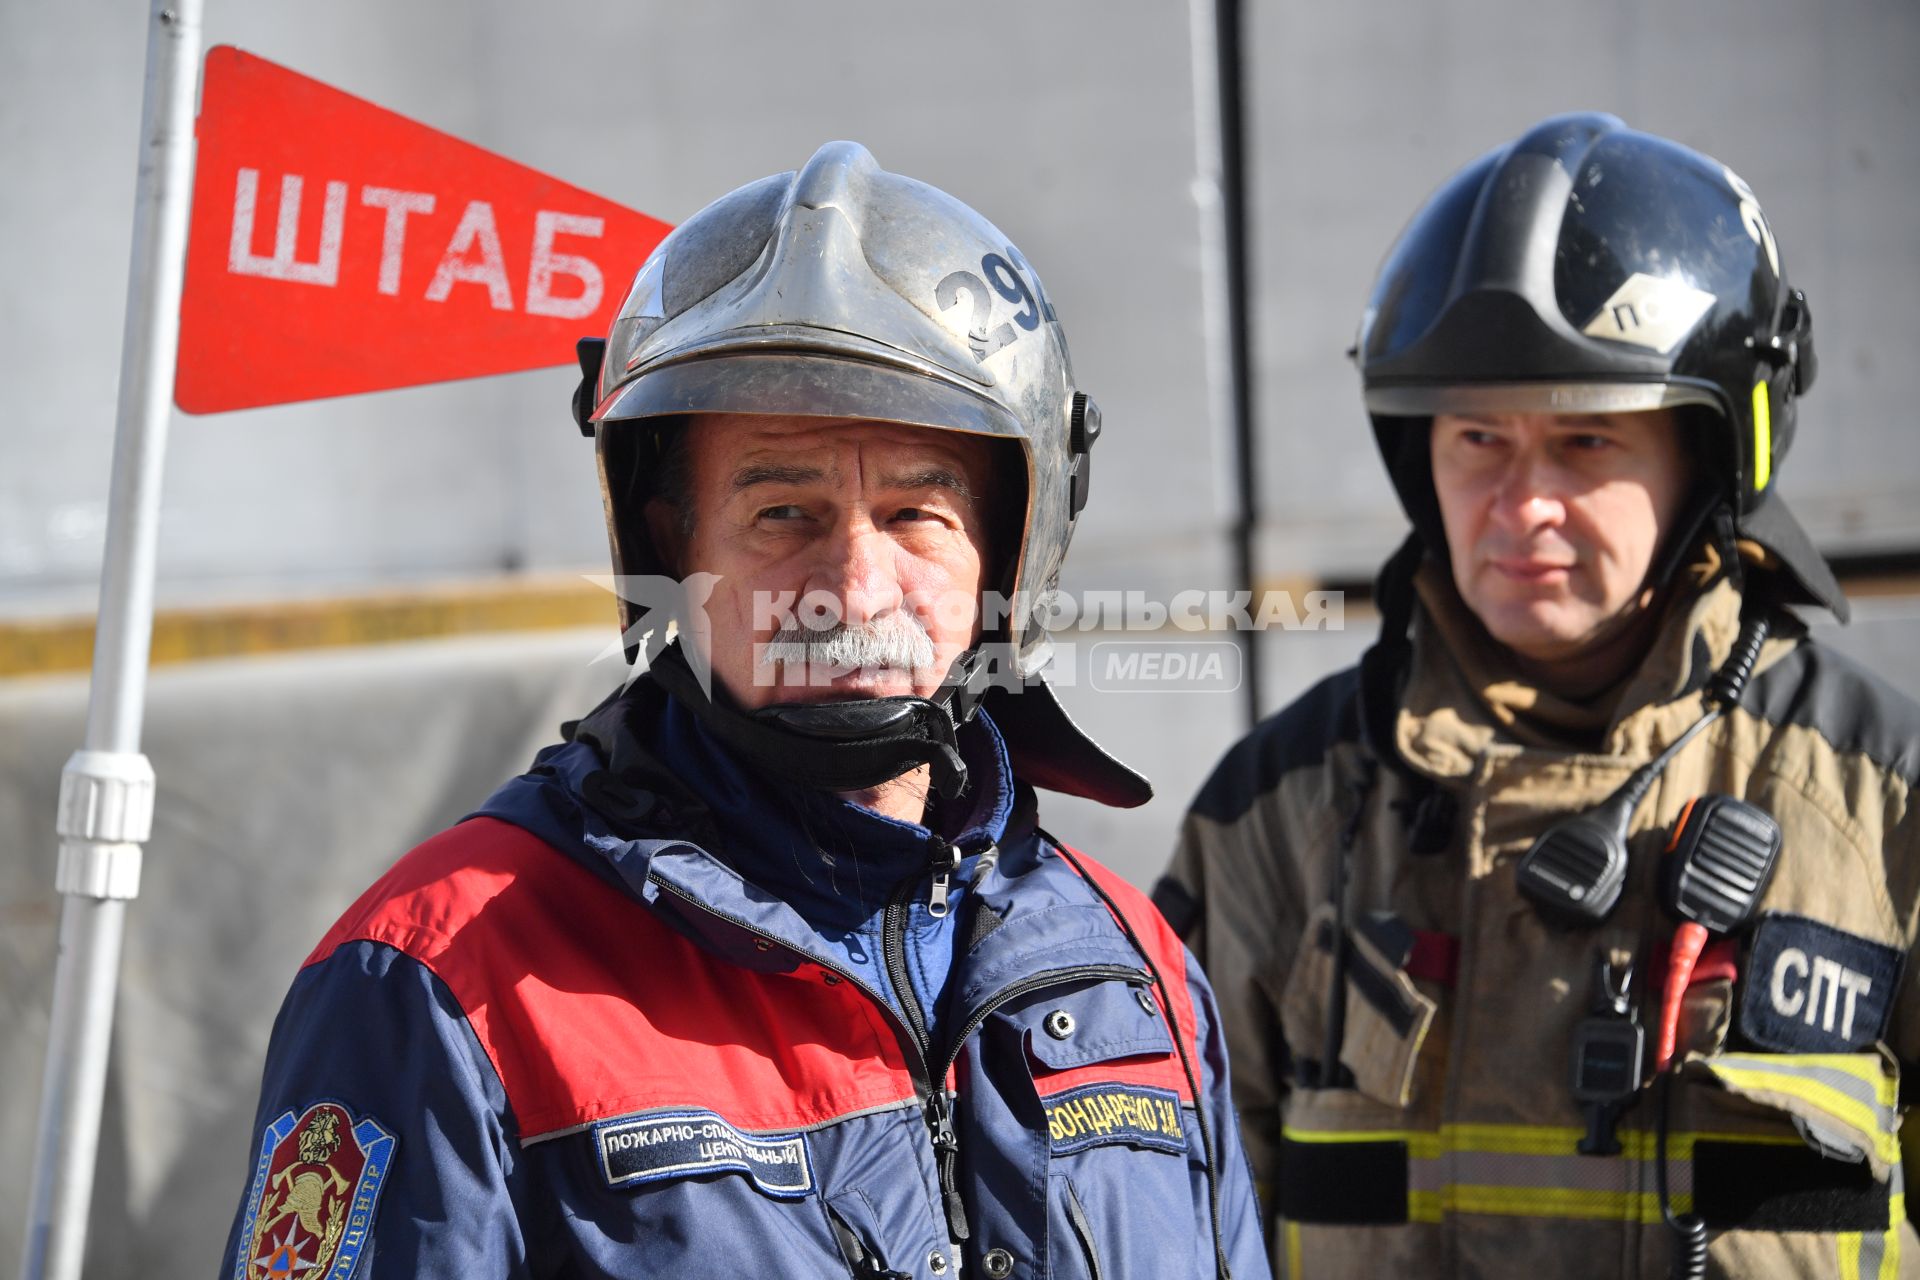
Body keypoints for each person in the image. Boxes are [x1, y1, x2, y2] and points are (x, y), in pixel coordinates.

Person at [221, 142, 1266, 1280]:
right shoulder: (440, 980)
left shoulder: (1131, 968)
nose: (854, 590)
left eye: (917, 512)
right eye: (781, 512)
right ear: (671, 545)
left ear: (1011, 553)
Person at [1157, 113, 1920, 1279]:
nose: (1521, 505)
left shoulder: (1882, 810)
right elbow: (1173, 1230)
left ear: (1710, 458)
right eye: (1477, 439)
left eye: (1584, 441)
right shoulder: (1274, 819)